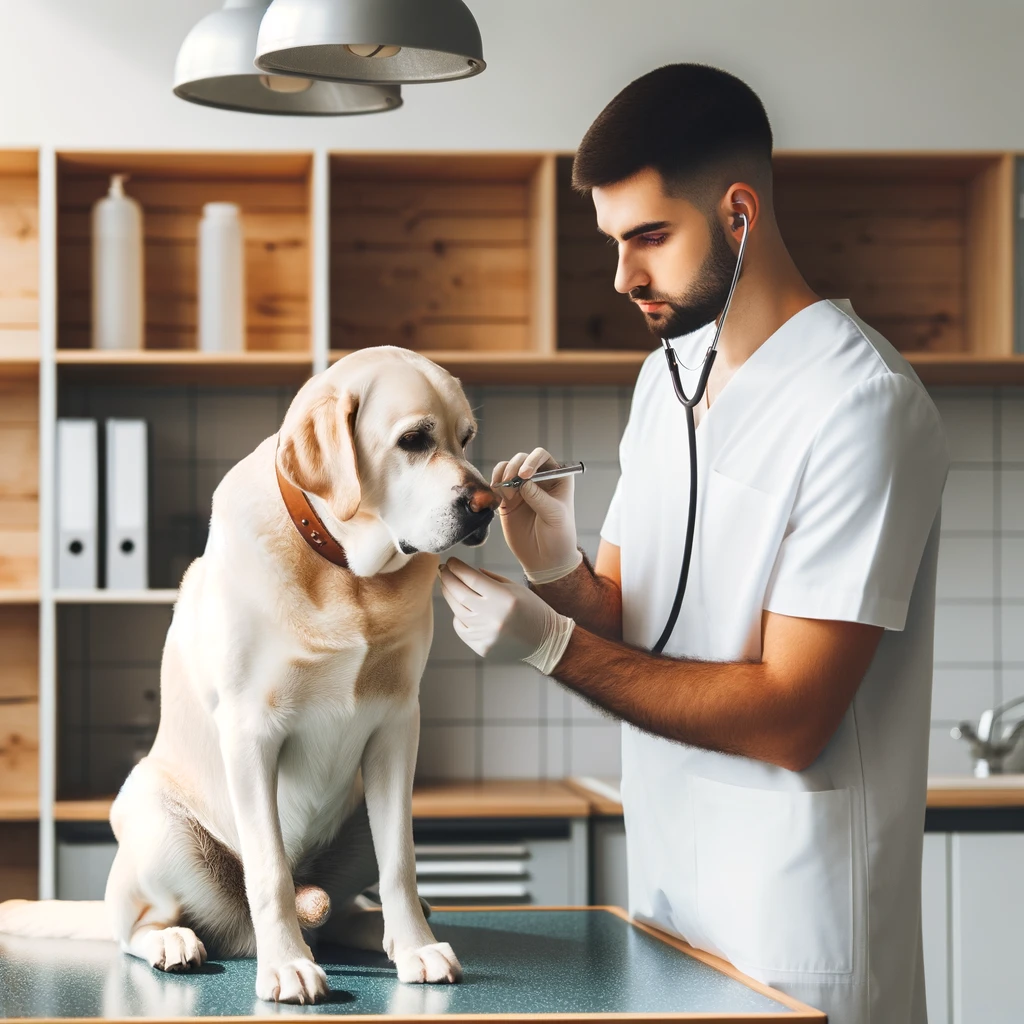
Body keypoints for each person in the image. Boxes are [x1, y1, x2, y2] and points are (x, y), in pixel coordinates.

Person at [438, 63, 949, 1024]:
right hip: (672, 915)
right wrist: (557, 572)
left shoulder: (862, 407)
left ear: (740, 213)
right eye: (613, 241)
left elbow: (793, 716)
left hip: (800, 946)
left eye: (649, 238)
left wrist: (550, 649)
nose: (623, 275)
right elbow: (631, 621)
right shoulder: (665, 375)